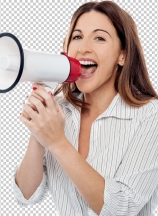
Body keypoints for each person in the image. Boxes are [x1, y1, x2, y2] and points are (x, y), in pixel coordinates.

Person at [12, 1, 158, 216]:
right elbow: (26, 195)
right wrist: (39, 131)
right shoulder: (59, 111)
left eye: (99, 38)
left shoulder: (149, 115)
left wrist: (58, 142)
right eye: (77, 37)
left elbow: (122, 209)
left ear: (123, 55)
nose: (83, 48)